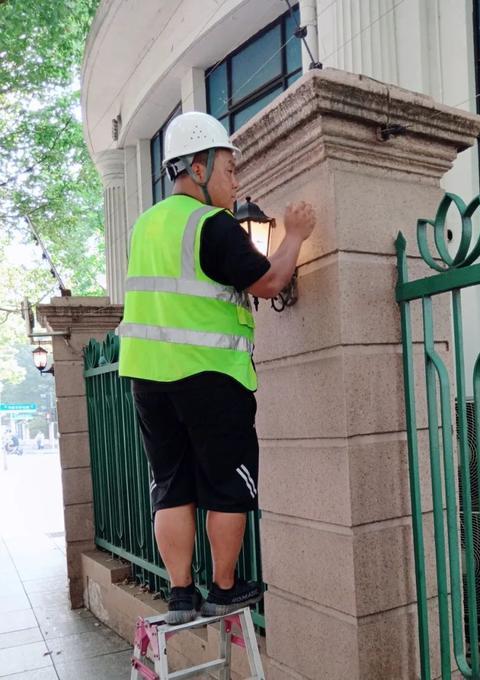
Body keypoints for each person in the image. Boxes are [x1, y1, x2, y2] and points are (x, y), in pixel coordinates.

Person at [118, 111, 315, 625]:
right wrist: (294, 235)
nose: (236, 182)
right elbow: (269, 283)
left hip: (147, 377)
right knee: (228, 484)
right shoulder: (212, 225)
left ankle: (181, 593)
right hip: (209, 374)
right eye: (230, 170)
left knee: (171, 483)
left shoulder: (145, 226)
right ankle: (224, 588)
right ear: (198, 169)